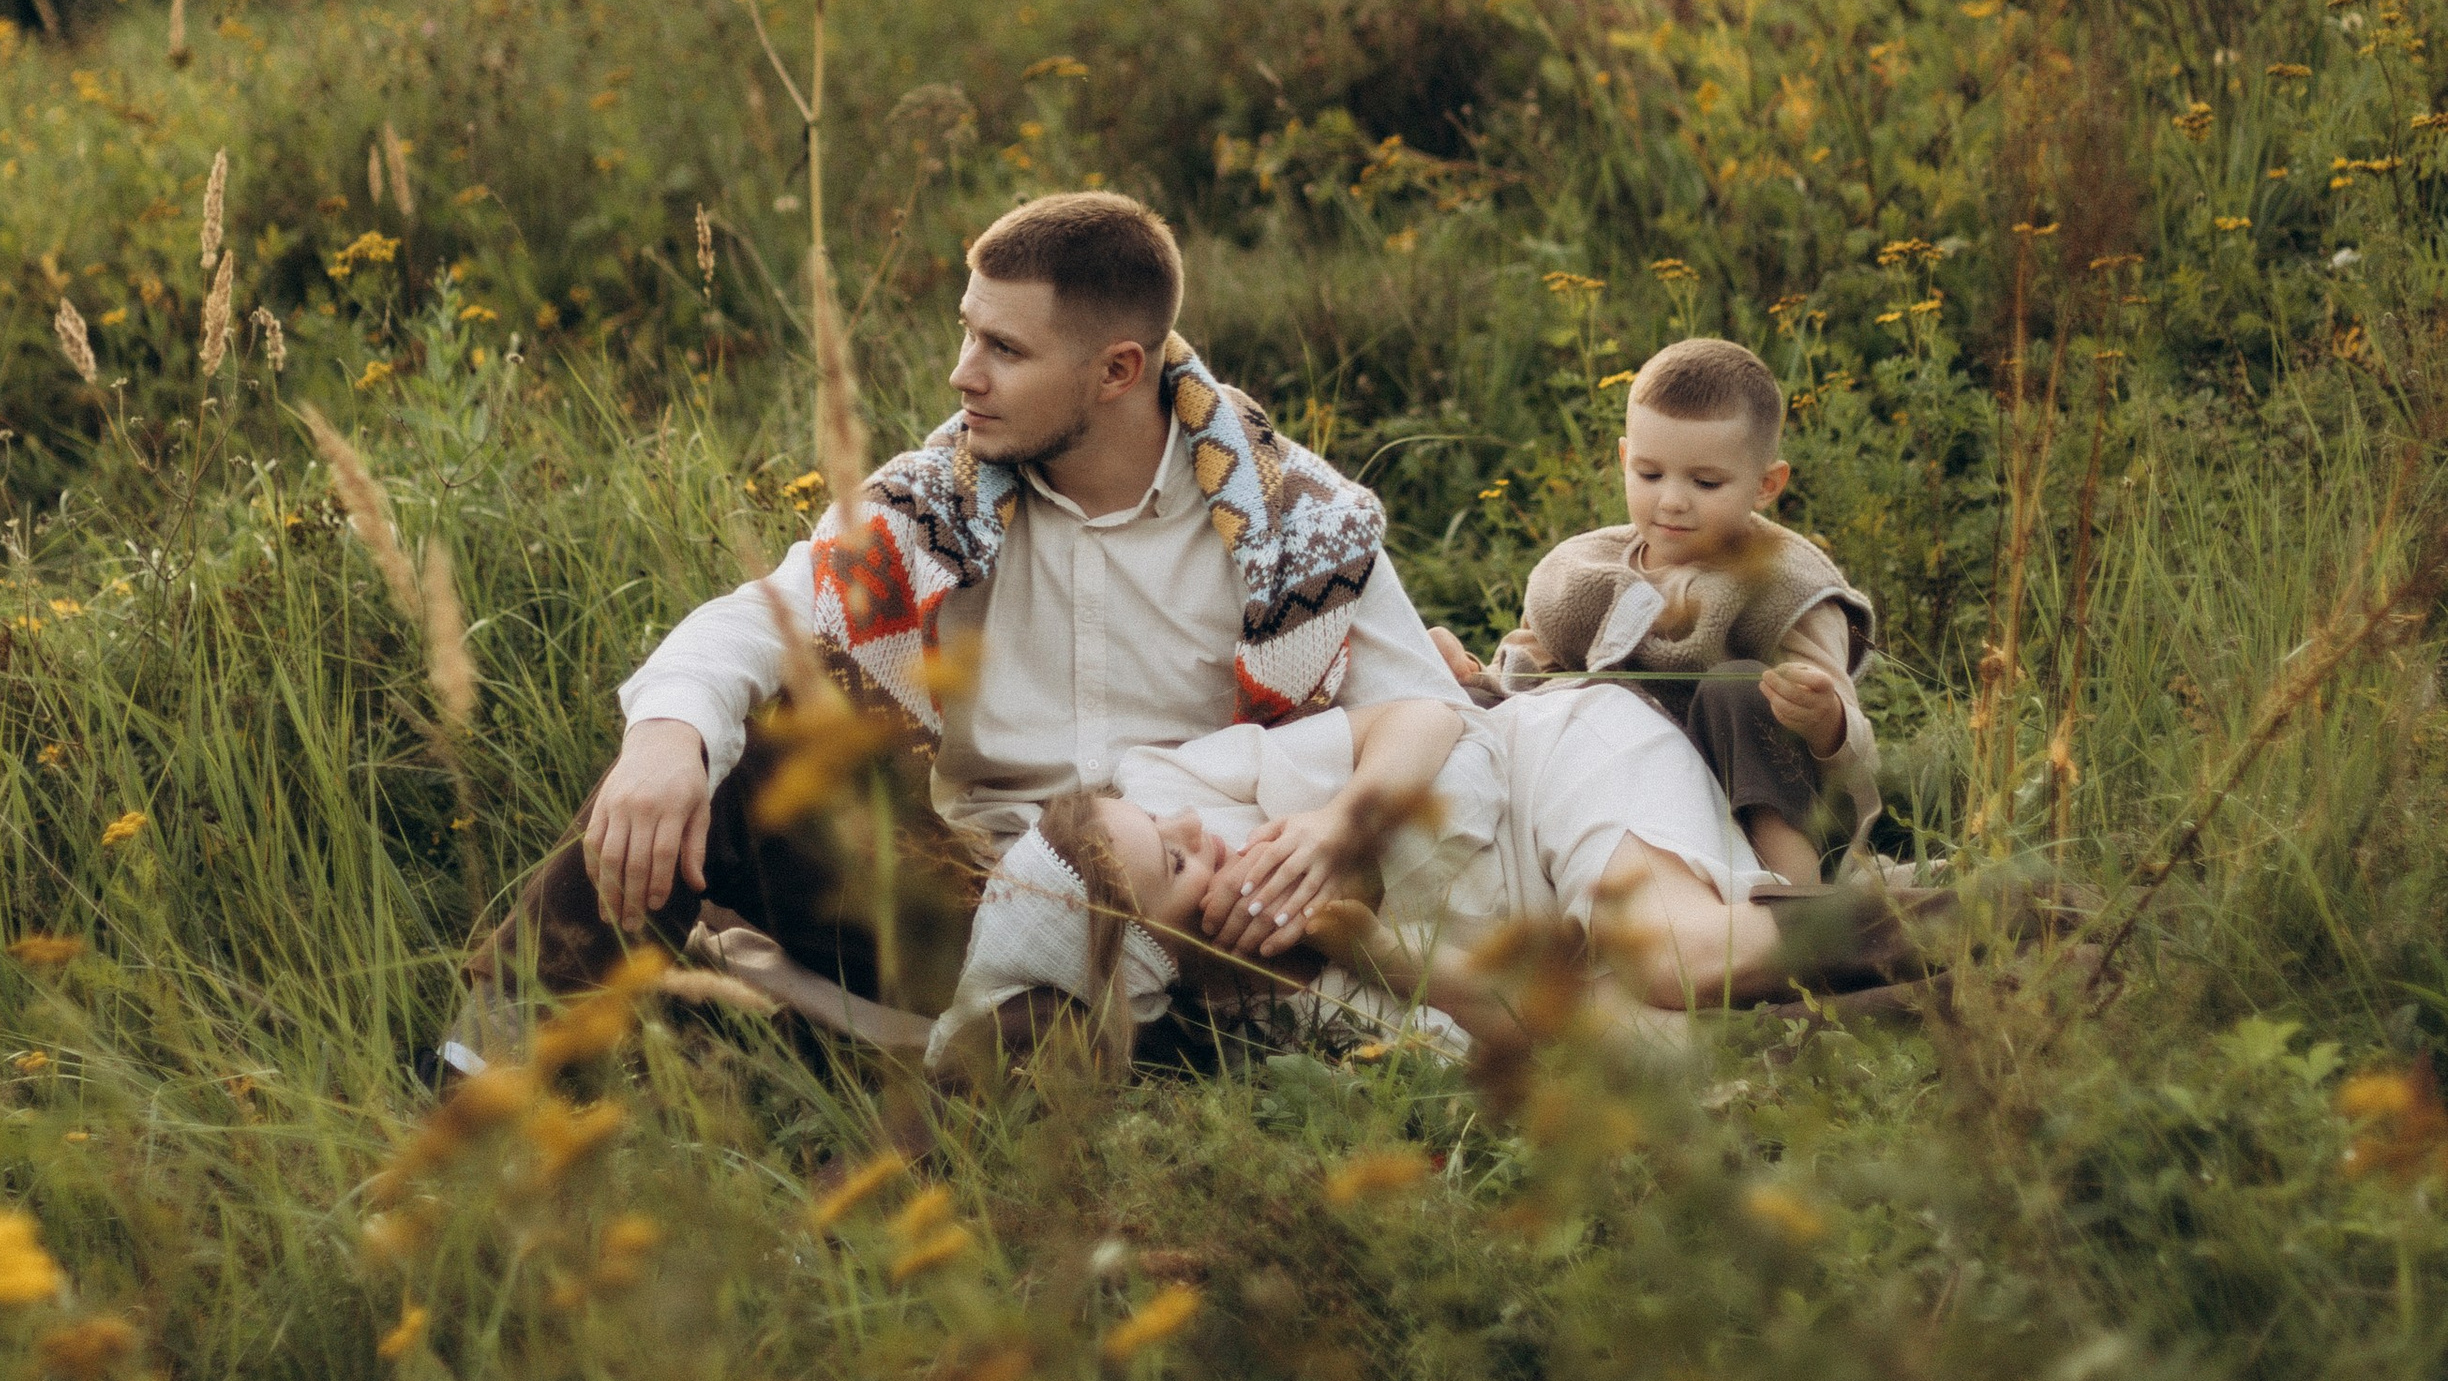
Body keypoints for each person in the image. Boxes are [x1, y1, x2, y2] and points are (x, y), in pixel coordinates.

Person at [466, 189, 1464, 1030]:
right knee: (733, 745)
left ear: (1118, 369)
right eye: (965, 329)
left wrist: (1337, 828)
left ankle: (1003, 1068)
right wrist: (668, 734)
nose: (962, 374)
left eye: (1002, 347)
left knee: (1177, 991)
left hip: (1188, 919)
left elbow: (1422, 709)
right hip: (971, 896)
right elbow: (763, 616)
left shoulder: (1298, 525)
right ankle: (488, 1071)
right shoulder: (933, 503)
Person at [921, 652, 1933, 1078]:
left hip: (1554, 771)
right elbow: (1537, 1032)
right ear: (1160, 961)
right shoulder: (1268, 1022)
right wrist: (1376, 958)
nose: (1201, 832)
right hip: (1551, 959)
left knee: (1667, 954)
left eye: (1170, 827)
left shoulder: (1183, 785)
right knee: (1654, 1054)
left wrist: (1344, 824)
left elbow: (1423, 715)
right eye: (1180, 867)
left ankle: (1979, 913)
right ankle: (1962, 1004)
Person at [1432, 335, 1879, 889]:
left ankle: (1796, 897)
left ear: (1766, 485)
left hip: (1755, 802)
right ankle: (1465, 881)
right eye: (1649, 474)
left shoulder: (1781, 586)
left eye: (1706, 482)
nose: (1671, 500)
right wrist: (1472, 680)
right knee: (1453, 713)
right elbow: (1530, 675)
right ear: (1624, 459)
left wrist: (1823, 718)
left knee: (1740, 688)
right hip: (1630, 799)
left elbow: (1856, 749)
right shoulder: (1585, 574)